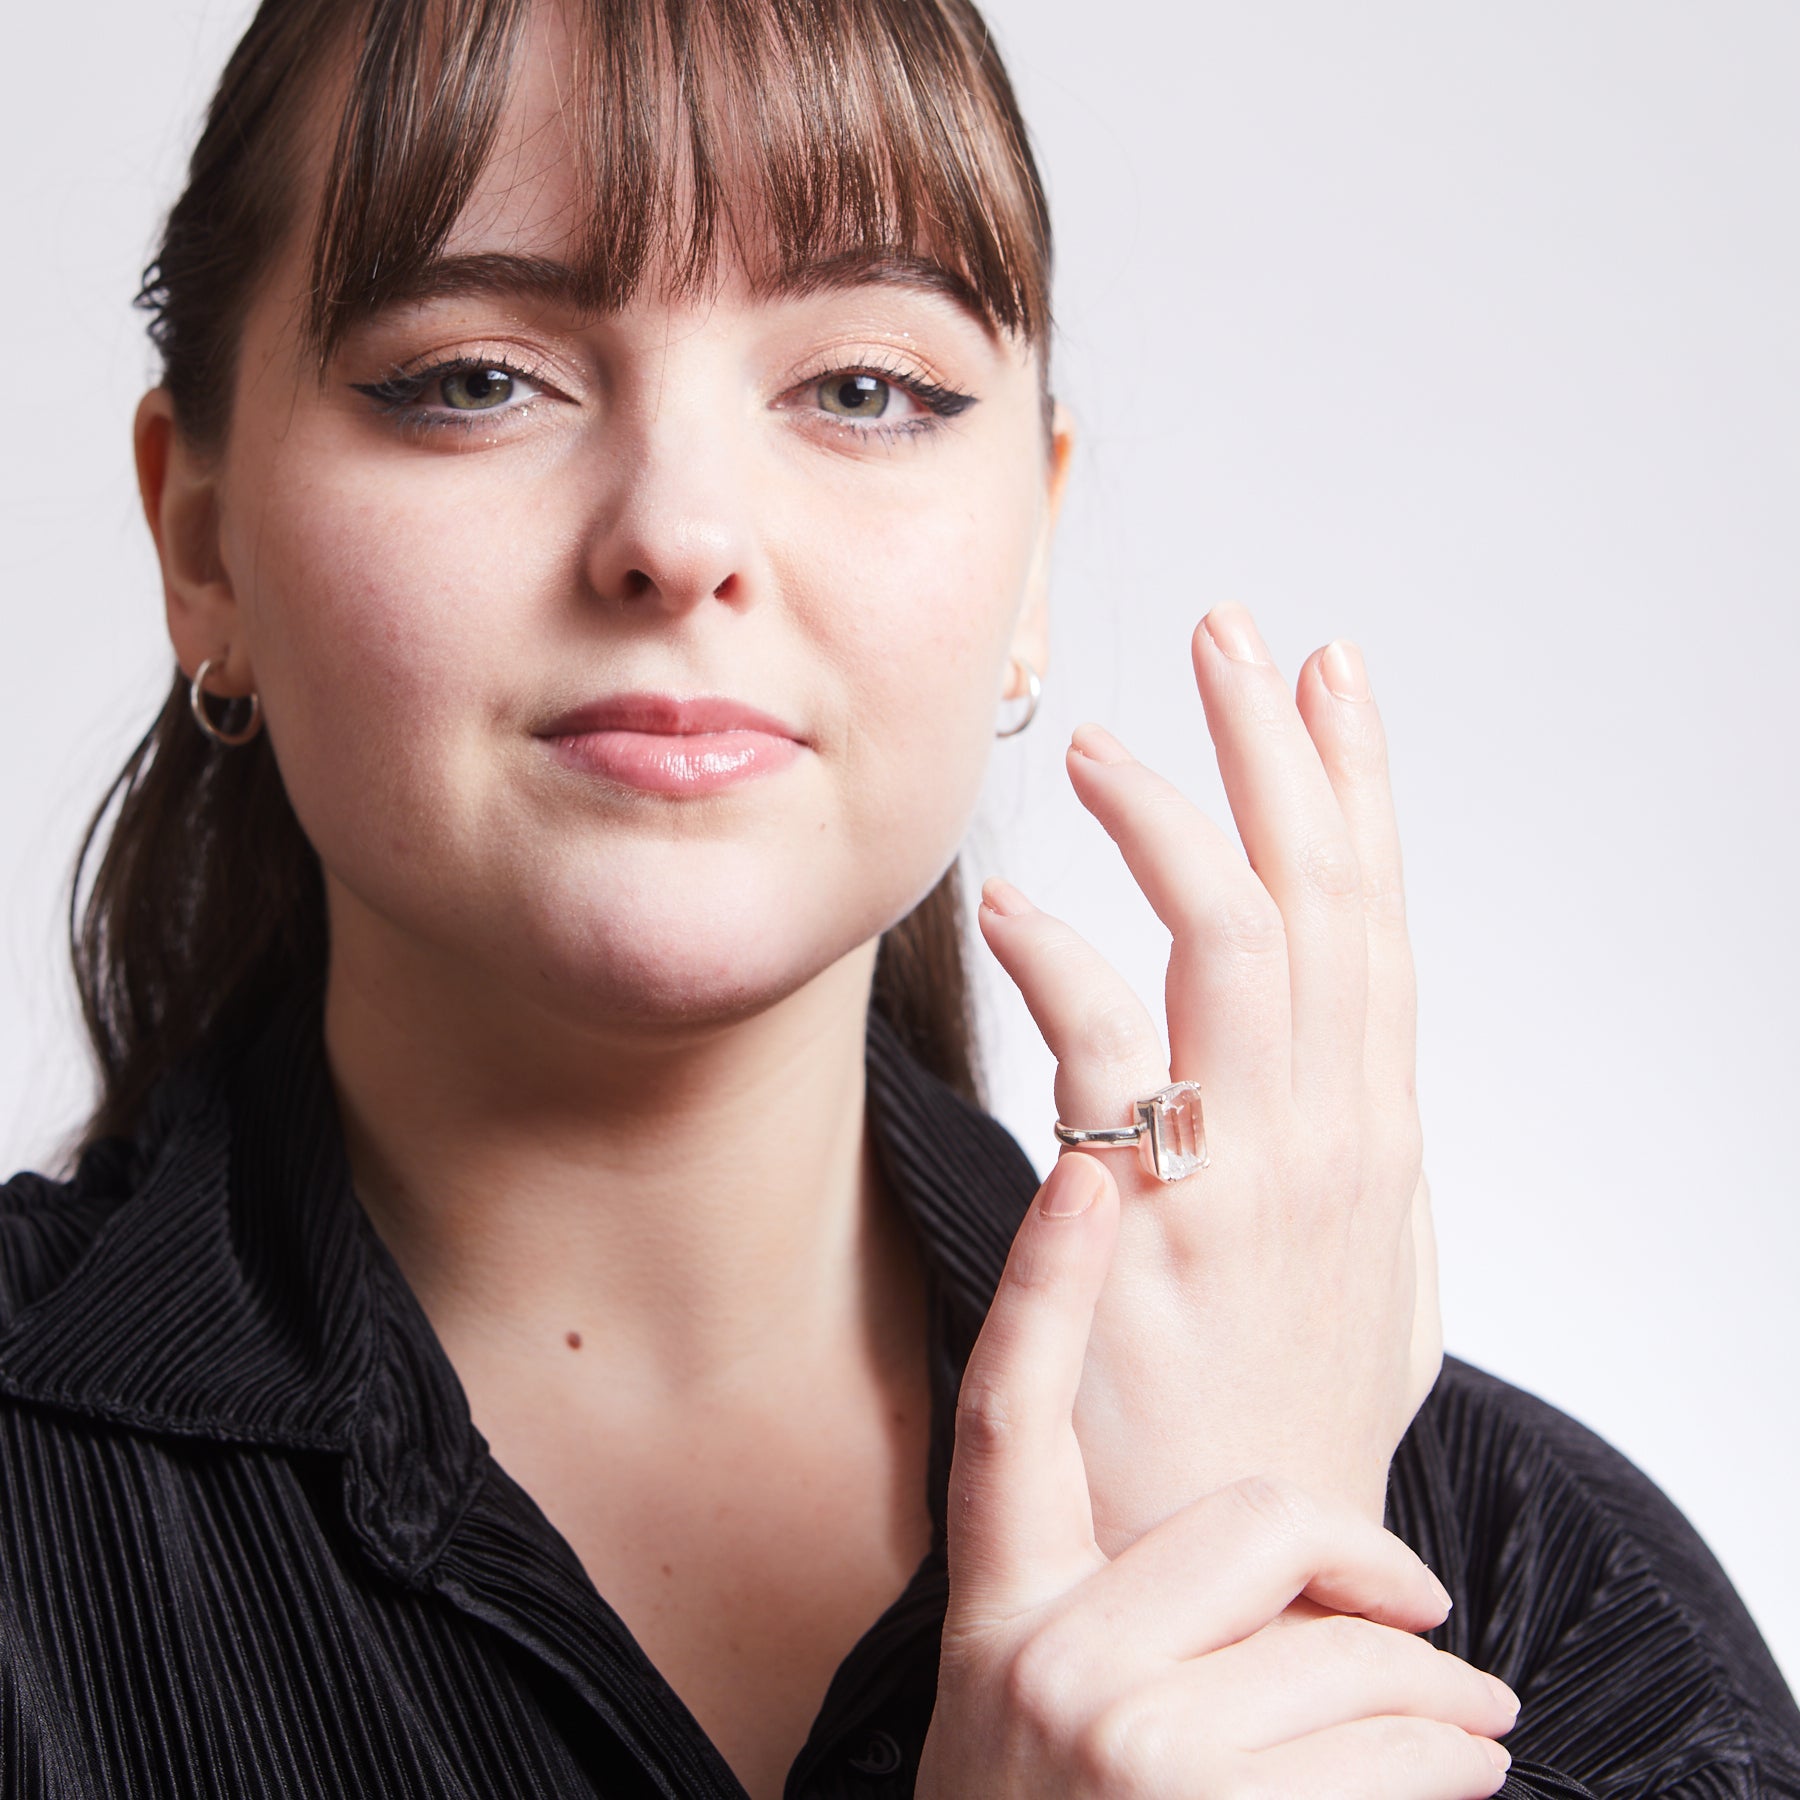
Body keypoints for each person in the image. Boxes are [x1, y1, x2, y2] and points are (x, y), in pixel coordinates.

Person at [0, 0, 1794, 1795]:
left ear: (1032, 541)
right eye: (477, 376)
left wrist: (1237, 1601)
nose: (682, 532)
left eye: (865, 389)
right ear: (200, 543)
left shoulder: (1535, 1600)